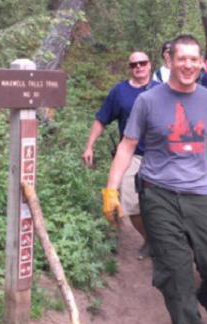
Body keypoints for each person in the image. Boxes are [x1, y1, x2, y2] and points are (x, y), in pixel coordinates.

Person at [102, 35, 207, 324]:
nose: (190, 65)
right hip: (158, 193)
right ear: (171, 60)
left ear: (200, 61)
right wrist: (111, 189)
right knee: (174, 274)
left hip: (197, 195)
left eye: (195, 59)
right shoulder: (148, 100)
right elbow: (127, 146)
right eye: (183, 59)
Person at [83, 51, 159, 259]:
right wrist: (89, 145)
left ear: (150, 65)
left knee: (164, 202)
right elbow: (101, 119)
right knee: (132, 204)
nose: (138, 67)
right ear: (129, 68)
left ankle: (169, 241)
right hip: (131, 154)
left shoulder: (162, 90)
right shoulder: (120, 92)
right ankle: (150, 240)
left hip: (160, 155)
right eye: (134, 64)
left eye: (142, 63)